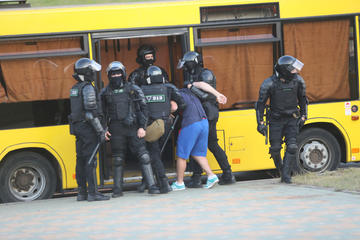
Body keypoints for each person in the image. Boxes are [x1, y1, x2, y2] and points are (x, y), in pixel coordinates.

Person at [100, 61, 160, 197]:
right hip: (115, 128)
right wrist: (104, 128)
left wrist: (142, 127)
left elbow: (144, 108)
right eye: (113, 74)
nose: (116, 76)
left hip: (133, 127)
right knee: (117, 159)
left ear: (123, 73)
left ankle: (152, 186)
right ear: (109, 75)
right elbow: (101, 113)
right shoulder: (105, 92)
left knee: (144, 156)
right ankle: (117, 189)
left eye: (118, 73)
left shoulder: (133, 89)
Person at [177, 51, 235, 187]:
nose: (185, 68)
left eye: (187, 64)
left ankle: (227, 173)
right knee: (198, 145)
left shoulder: (205, 74)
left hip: (208, 113)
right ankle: (197, 177)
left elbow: (204, 95)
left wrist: (190, 87)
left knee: (212, 144)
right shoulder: (193, 75)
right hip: (201, 113)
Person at [255, 55, 308, 184]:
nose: (296, 72)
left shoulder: (298, 81)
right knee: (275, 149)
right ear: (285, 70)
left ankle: (285, 175)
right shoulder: (269, 83)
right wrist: (260, 122)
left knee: (292, 146)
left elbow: (303, 99)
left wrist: (304, 115)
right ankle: (281, 169)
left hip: (292, 119)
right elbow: (260, 104)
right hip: (275, 119)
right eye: (293, 69)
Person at [171, 82, 227, 191]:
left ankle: (179, 183)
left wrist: (167, 112)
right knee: (198, 153)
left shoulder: (174, 94)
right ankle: (211, 176)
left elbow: (174, 107)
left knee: (182, 155)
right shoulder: (191, 91)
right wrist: (217, 94)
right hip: (204, 122)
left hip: (191, 123)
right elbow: (202, 84)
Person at [68, 58, 110, 202]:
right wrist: (100, 131)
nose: (93, 72)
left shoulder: (75, 88)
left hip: (78, 128)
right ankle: (93, 193)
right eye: (92, 70)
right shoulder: (88, 87)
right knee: (91, 160)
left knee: (80, 159)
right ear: (87, 72)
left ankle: (82, 193)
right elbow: (90, 112)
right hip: (88, 129)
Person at [140, 65, 186, 193]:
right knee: (156, 155)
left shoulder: (142, 89)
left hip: (151, 126)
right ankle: (148, 182)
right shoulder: (169, 88)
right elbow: (182, 104)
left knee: (153, 155)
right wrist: (169, 110)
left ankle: (162, 183)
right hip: (166, 124)